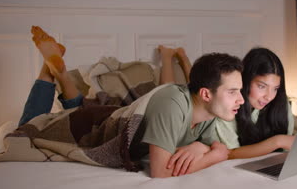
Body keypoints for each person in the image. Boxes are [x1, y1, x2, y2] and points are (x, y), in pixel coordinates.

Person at [19, 26, 245, 178]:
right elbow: (160, 171)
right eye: (233, 91)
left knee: (77, 109)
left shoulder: (206, 113)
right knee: (26, 130)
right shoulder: (173, 103)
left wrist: (201, 146)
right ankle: (49, 73)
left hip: (102, 112)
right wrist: (214, 156)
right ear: (206, 94)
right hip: (101, 127)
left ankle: (56, 71)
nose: (241, 100)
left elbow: (216, 144)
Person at [164, 47, 296, 176]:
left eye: (275, 88)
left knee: (197, 86)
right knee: (173, 88)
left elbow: (289, 144)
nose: (269, 96)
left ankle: (183, 59)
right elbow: (230, 153)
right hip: (180, 98)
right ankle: (167, 57)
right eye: (261, 86)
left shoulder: (280, 103)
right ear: (245, 80)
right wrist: (278, 141)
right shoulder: (225, 107)